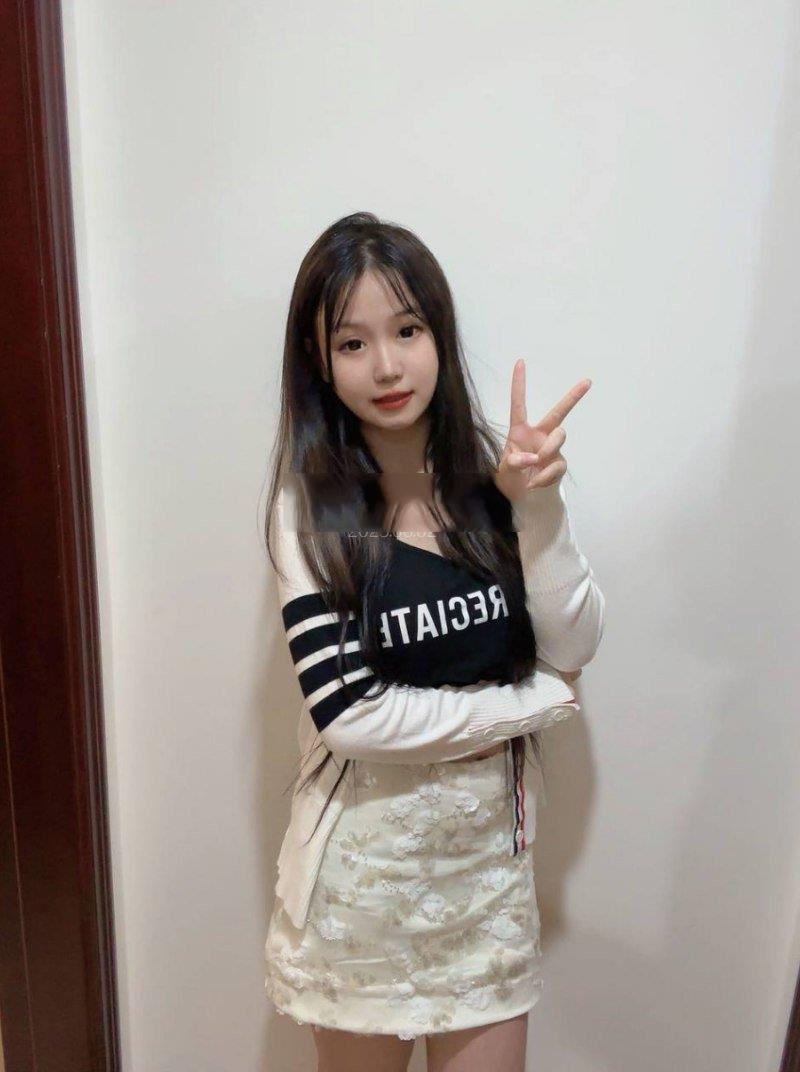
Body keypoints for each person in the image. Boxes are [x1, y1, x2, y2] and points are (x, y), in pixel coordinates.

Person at [262, 211, 605, 1072]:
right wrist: (527, 706)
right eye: (352, 342)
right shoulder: (313, 508)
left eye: (407, 330)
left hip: (487, 885)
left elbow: (573, 643)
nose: (386, 366)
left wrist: (536, 506)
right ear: (319, 361)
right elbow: (350, 715)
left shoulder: (498, 476)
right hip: (361, 889)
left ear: (439, 335)